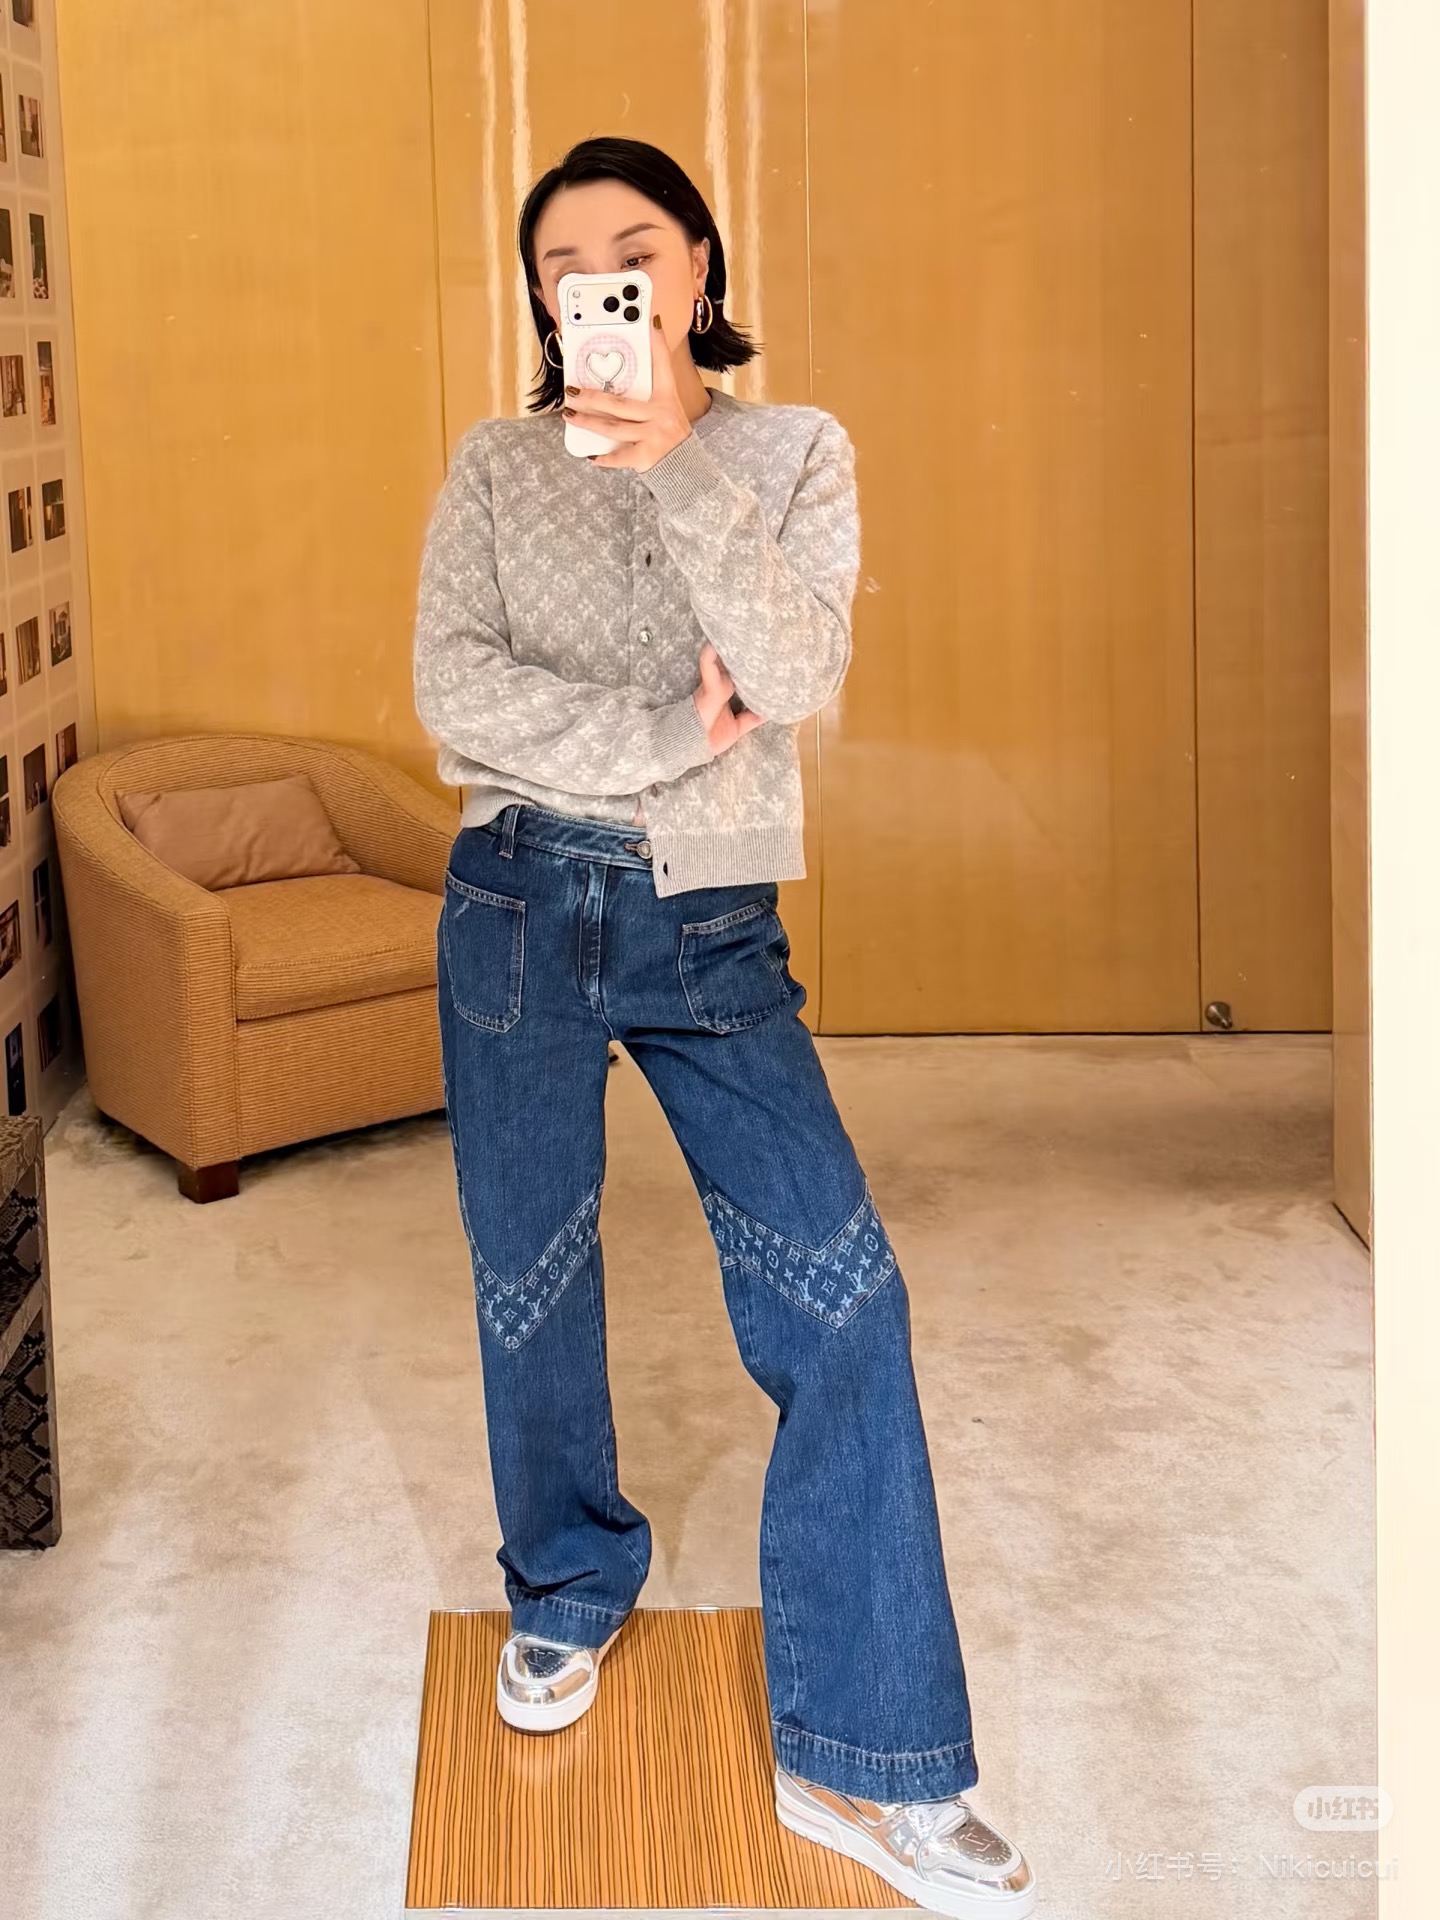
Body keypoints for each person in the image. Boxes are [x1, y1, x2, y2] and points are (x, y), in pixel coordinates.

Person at [412, 134, 1035, 1919]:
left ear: (696, 266)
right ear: (541, 298)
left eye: (632, 249)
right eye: (562, 264)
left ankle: (869, 1757)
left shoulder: (790, 451)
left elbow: (803, 670)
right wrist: (672, 738)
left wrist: (677, 459)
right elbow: (454, 694)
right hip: (514, 903)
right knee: (530, 1278)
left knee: (843, 1295)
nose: (595, 284)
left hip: (711, 917)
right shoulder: (493, 464)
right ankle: (565, 1585)